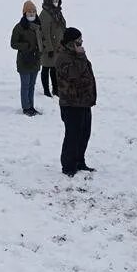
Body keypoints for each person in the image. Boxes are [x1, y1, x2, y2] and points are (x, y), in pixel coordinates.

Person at [54, 26, 96, 176]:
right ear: (70, 43)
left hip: (83, 102)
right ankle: (68, 166)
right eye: (78, 41)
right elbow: (75, 74)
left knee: (84, 133)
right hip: (71, 103)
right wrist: (81, 56)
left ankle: (79, 161)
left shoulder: (75, 54)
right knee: (72, 135)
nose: (81, 44)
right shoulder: (63, 57)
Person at [10, 0, 43, 116]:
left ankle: (31, 106)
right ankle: (26, 107)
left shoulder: (38, 26)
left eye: (34, 12)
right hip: (24, 60)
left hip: (35, 60)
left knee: (32, 86)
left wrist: (41, 50)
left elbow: (42, 40)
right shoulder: (19, 27)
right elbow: (13, 44)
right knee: (25, 85)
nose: (32, 14)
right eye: (29, 12)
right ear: (24, 13)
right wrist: (26, 46)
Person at [38, 0, 66, 98]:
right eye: (54, 0)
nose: (56, 2)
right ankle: (46, 90)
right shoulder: (45, 14)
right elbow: (44, 33)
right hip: (48, 48)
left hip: (58, 47)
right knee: (46, 68)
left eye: (58, 0)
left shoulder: (58, 12)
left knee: (54, 68)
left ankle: (55, 89)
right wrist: (49, 48)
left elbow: (62, 27)